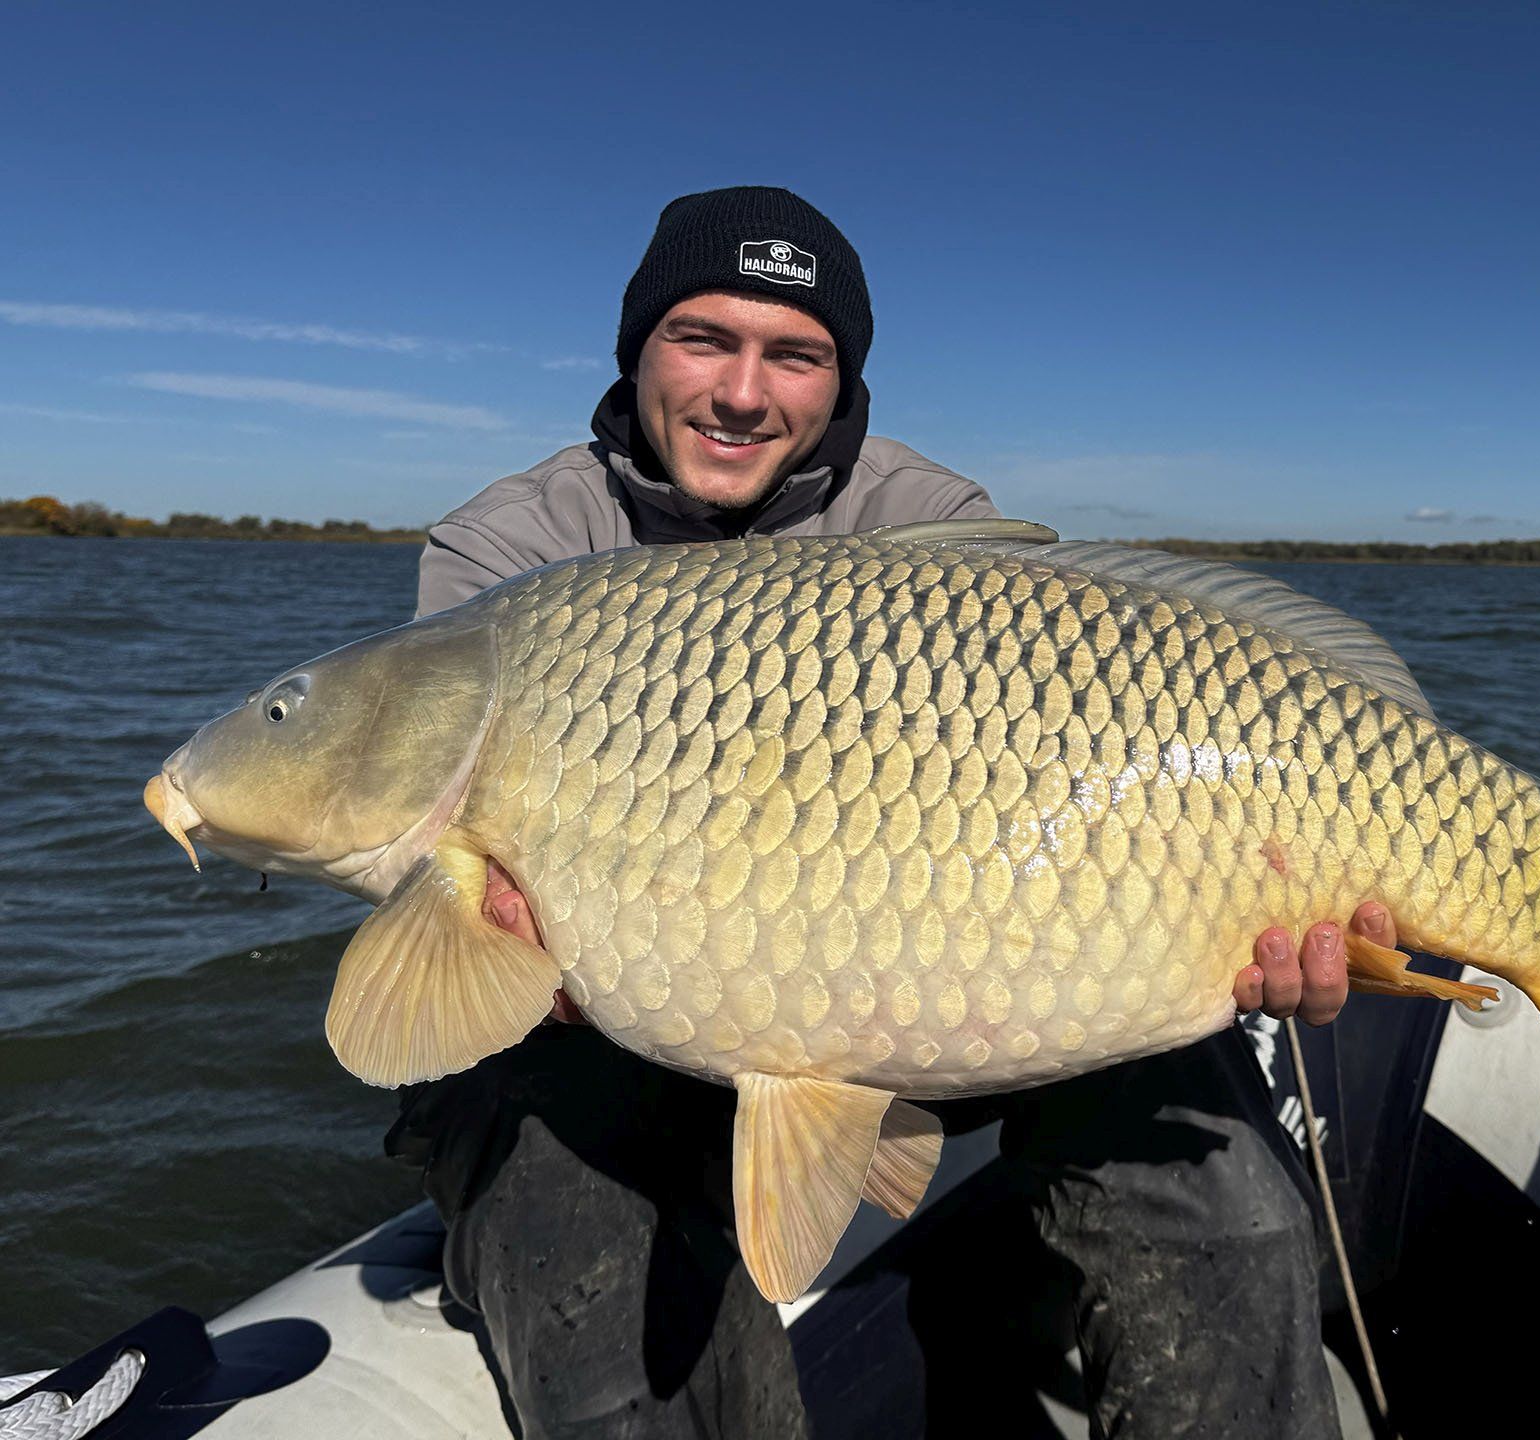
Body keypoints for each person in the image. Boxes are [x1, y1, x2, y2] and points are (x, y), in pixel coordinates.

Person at [389, 186, 1398, 1438]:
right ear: (636, 348)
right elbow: (430, 860)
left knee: (1224, 1201)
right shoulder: (509, 553)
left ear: (841, 381)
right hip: (624, 1016)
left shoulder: (936, 531)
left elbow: (1084, 805)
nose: (743, 394)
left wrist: (1227, 917)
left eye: (795, 355)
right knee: (568, 1208)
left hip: (953, 976)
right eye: (703, 338)